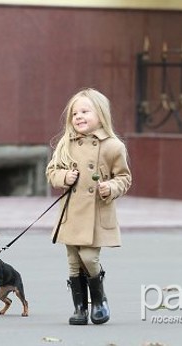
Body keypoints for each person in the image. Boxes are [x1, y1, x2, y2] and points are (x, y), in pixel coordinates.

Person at [45, 88, 132, 325]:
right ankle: (80, 308)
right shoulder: (66, 143)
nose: (79, 117)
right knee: (73, 261)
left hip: (96, 214)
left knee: (90, 258)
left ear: (101, 114)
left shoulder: (113, 146)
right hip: (71, 213)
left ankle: (100, 299)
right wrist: (64, 177)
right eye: (75, 113)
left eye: (85, 111)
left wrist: (111, 188)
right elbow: (51, 172)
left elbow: (124, 178)